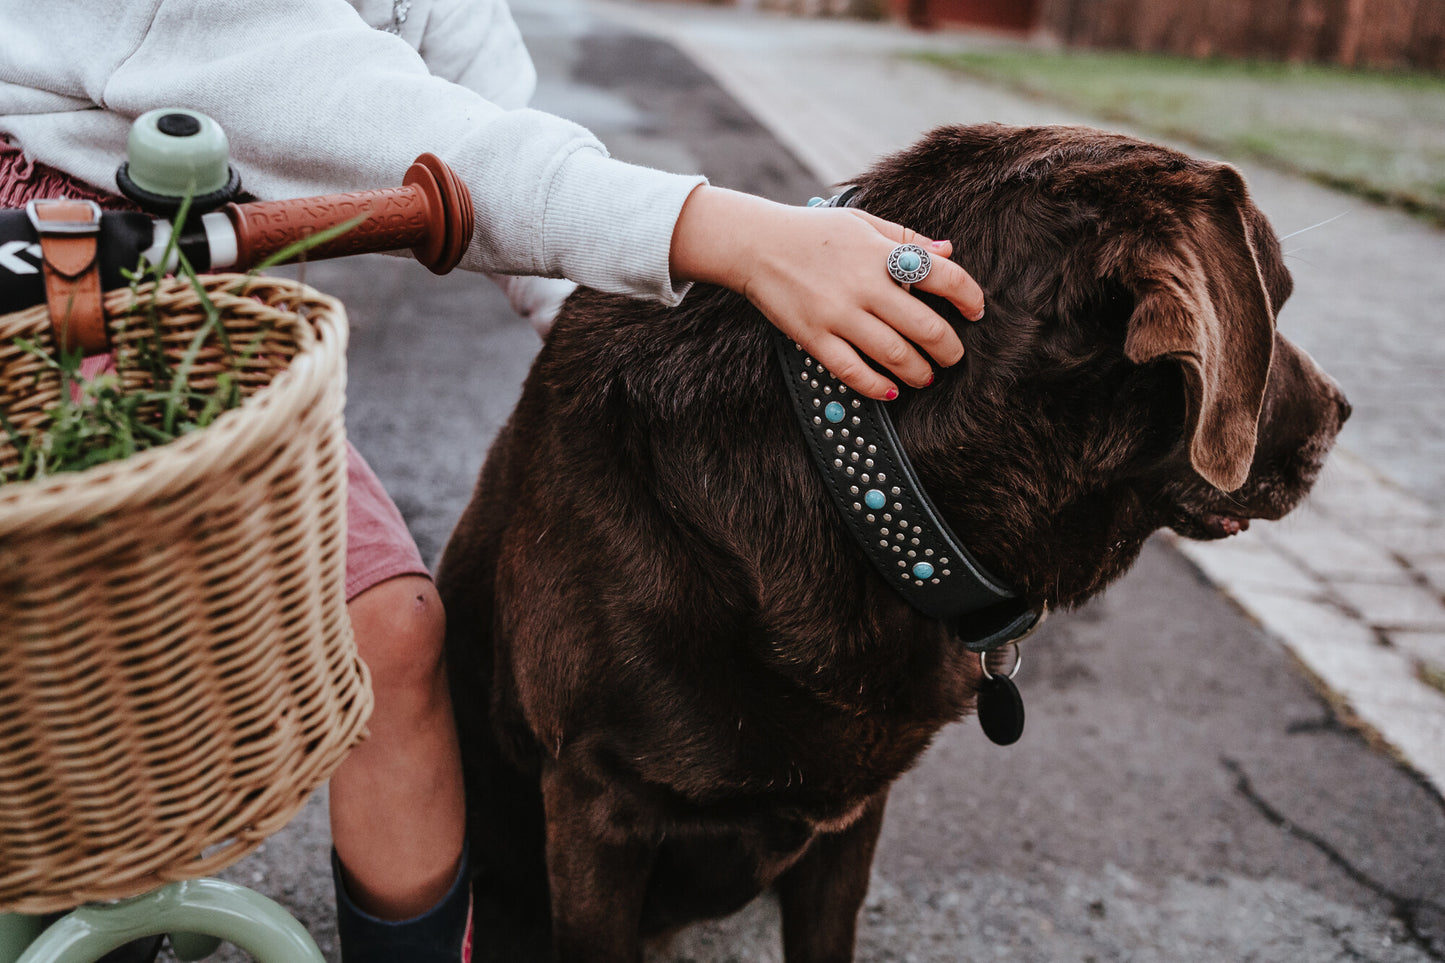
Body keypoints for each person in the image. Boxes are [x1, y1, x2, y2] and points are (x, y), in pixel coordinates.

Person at [0, 1, 985, 960]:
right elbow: (438, 150)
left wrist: (674, 385)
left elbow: (511, 149)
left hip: (184, 301)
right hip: (42, 290)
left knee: (389, 627)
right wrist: (740, 237)